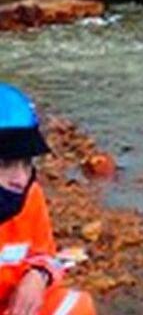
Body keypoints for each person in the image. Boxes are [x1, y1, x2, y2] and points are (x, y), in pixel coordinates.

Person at [0, 83, 96, 315]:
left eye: (26, 163)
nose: (20, 179)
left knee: (75, 306)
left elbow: (46, 255)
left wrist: (38, 275)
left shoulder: (30, 197)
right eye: (5, 164)